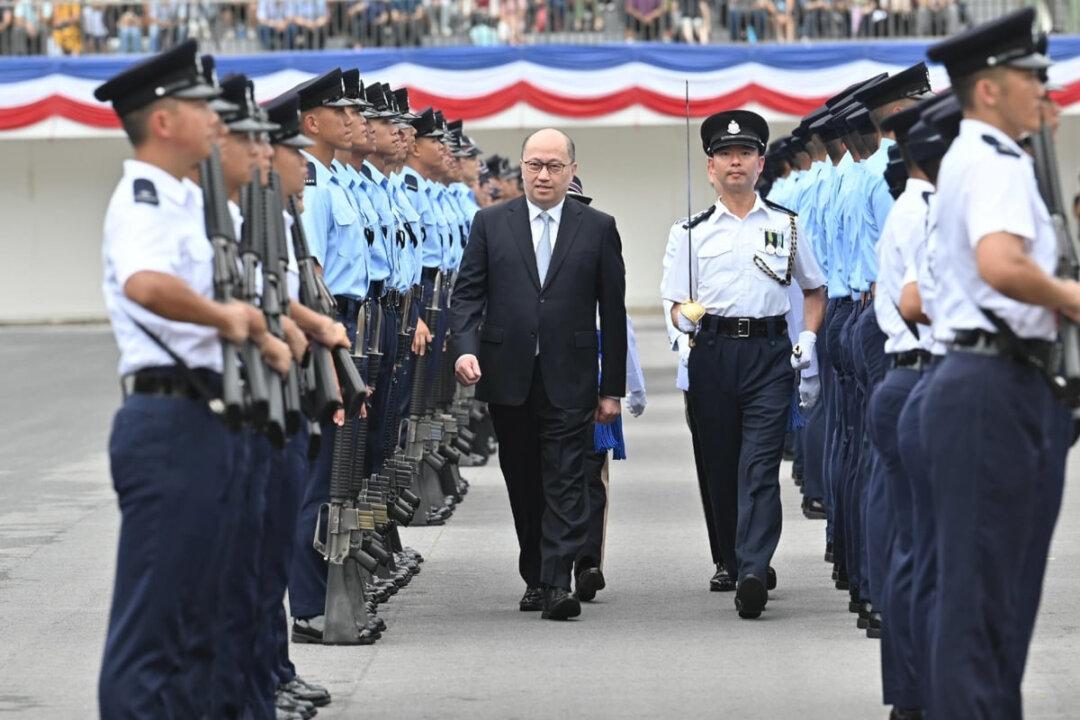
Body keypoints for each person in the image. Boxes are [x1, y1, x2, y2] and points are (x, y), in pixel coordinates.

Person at [92, 39, 289, 718]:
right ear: (163, 120)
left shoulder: (184, 200)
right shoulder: (143, 196)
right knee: (156, 626)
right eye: (200, 108)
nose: (215, 120)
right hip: (170, 420)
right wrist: (227, 317)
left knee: (205, 613)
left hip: (208, 416)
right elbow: (145, 283)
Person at [923, 8, 1078, 715]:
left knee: (993, 590)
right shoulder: (993, 161)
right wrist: (1070, 297)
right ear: (989, 89)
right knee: (987, 592)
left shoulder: (982, 156)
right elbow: (1001, 263)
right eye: (1029, 78)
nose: (1043, 91)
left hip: (991, 378)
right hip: (992, 383)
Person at [449, 128, 627, 621]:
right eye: (534, 165)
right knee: (524, 478)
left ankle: (555, 582)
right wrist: (464, 351)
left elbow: (613, 313)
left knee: (566, 476)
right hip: (509, 374)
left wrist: (612, 389)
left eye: (553, 165)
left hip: (570, 373)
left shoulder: (597, 227)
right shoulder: (491, 223)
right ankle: (535, 573)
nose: (543, 175)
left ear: (572, 170)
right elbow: (467, 296)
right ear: (523, 168)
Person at [662, 110, 826, 619]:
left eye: (746, 153)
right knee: (720, 463)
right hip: (713, 353)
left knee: (759, 464)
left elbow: (814, 288)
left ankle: (754, 568)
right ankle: (732, 559)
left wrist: (807, 337)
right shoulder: (690, 232)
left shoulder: (785, 225)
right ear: (711, 167)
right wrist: (687, 321)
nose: (736, 162)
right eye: (726, 155)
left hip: (768, 354)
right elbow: (675, 303)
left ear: (760, 164)